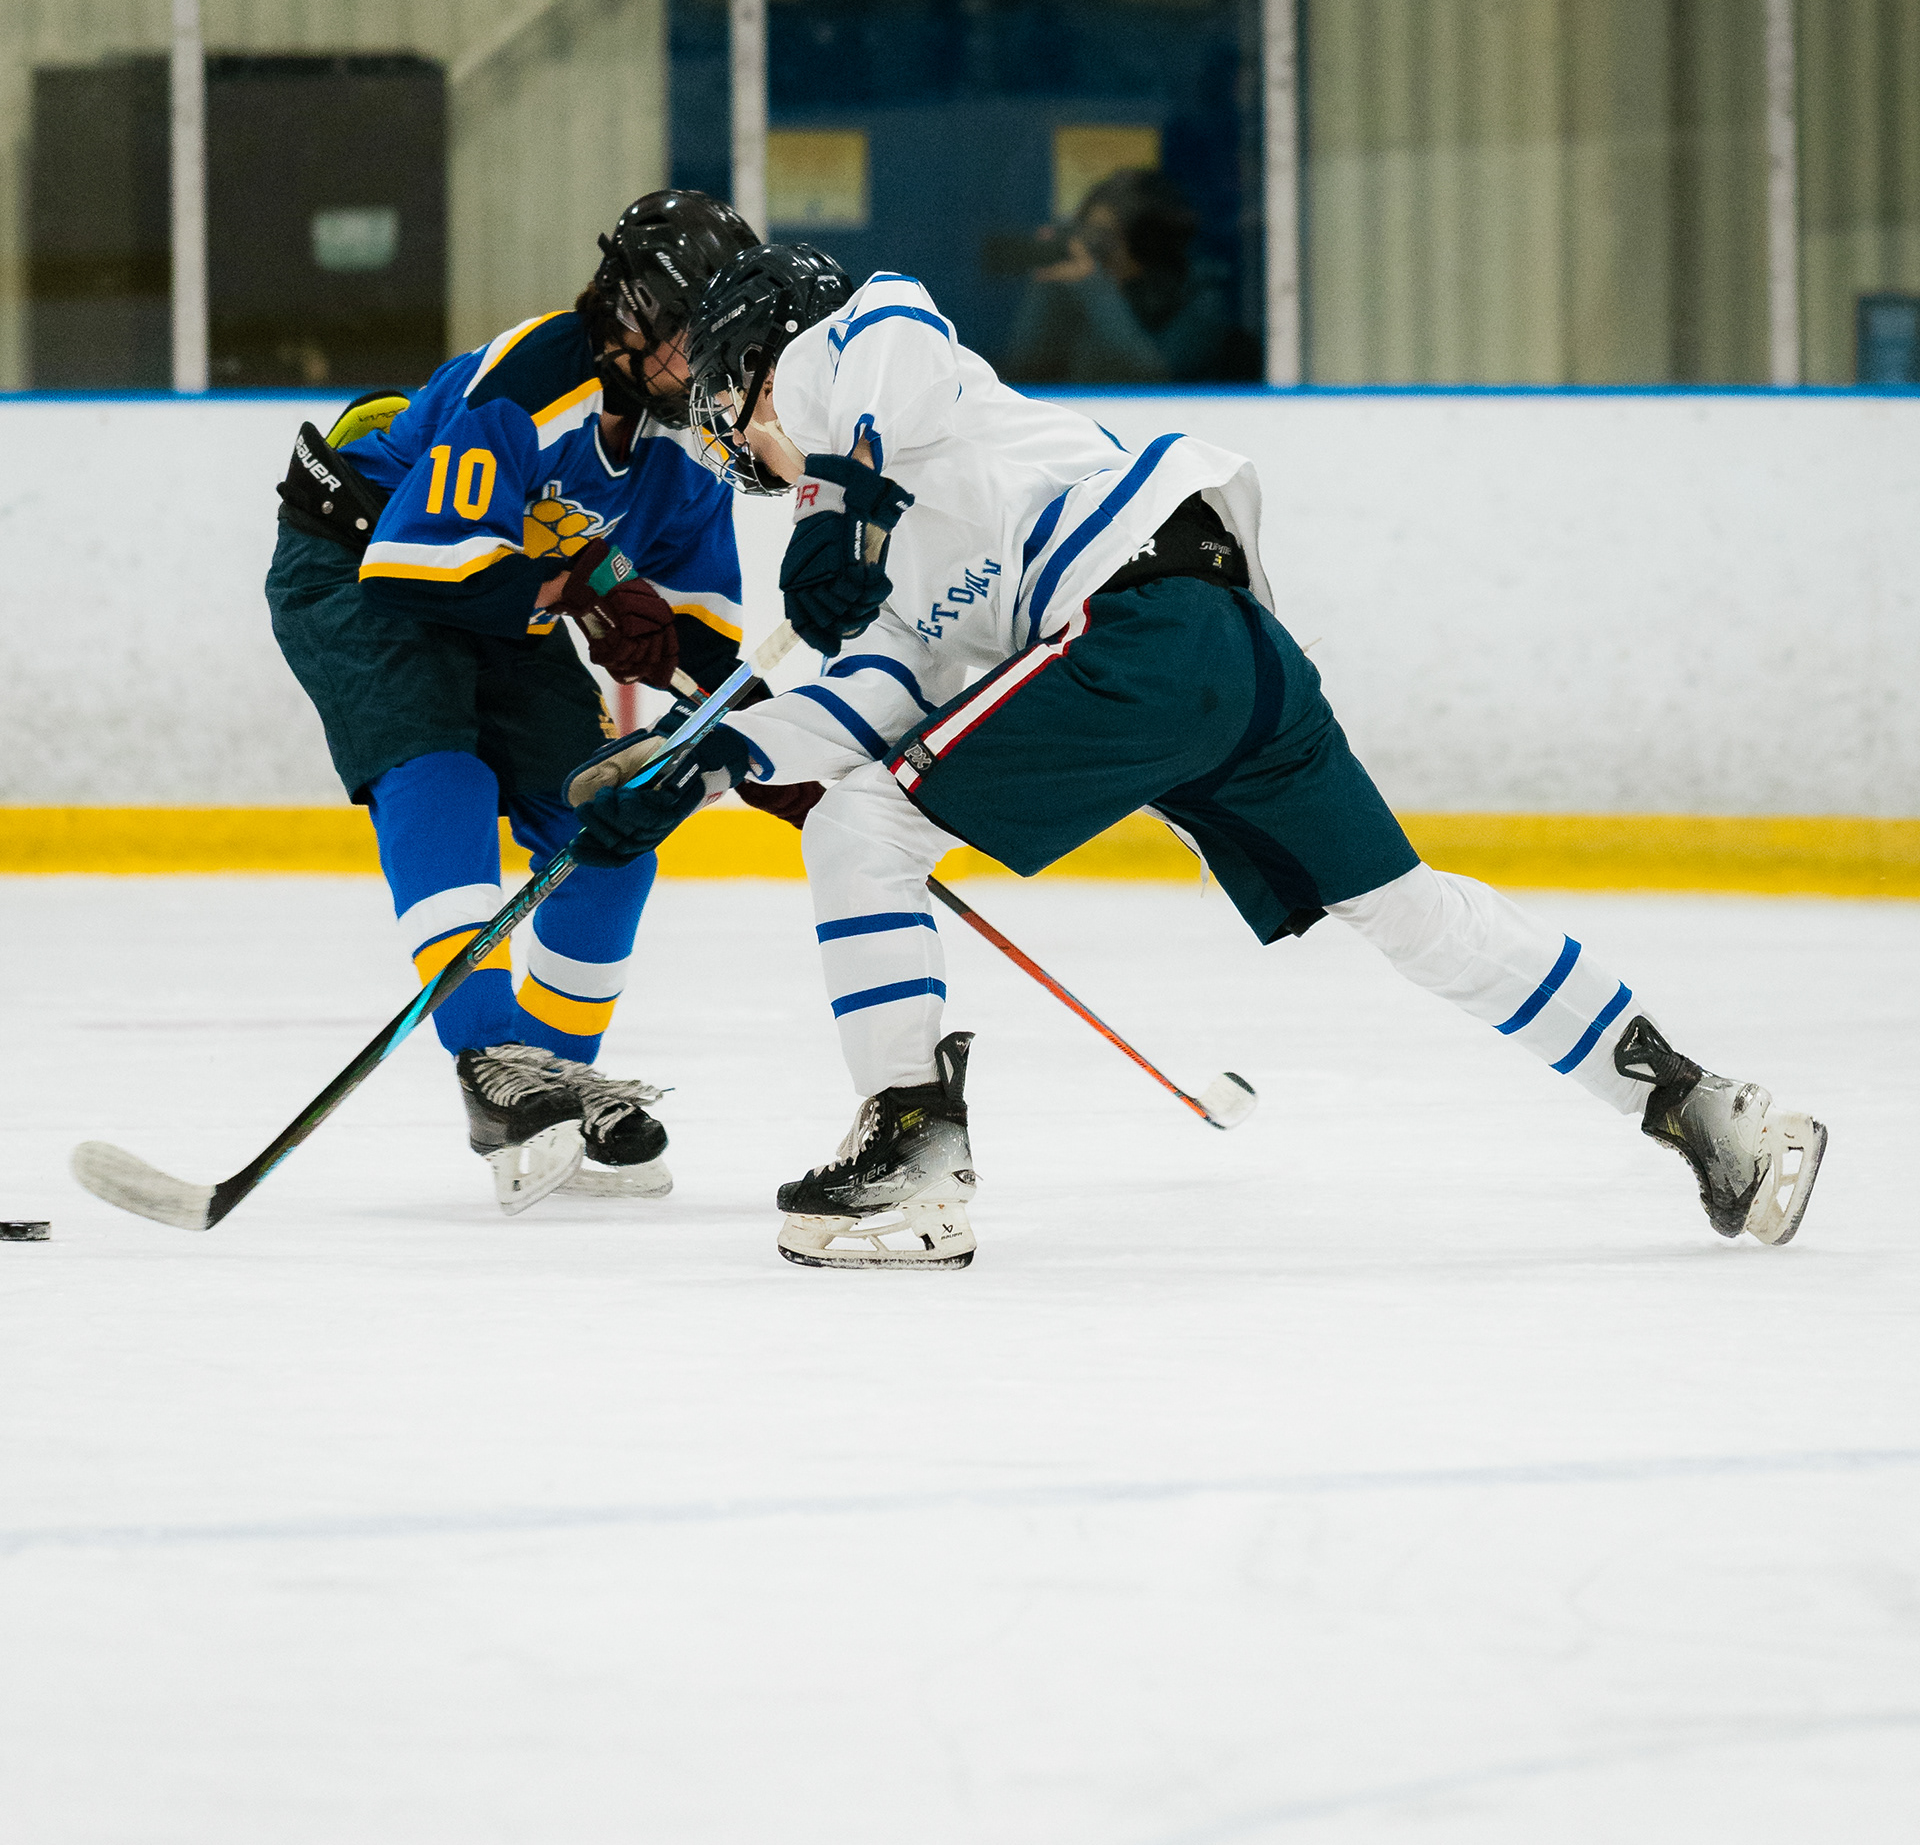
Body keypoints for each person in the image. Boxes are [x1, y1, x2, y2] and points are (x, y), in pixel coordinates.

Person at [573, 246, 1829, 1273]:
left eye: (725, 412)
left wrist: (838, 493)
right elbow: (881, 692)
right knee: (1409, 913)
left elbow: (887, 342)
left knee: (863, 829)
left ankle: (910, 1154)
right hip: (1221, 656)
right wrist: (707, 758)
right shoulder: (880, 556)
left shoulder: (866, 348)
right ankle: (1703, 1105)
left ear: (755, 367)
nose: (730, 444)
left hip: (1143, 635)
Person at [266, 188, 756, 1215]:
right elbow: (415, 567)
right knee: (438, 763)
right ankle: (494, 1060)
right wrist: (588, 584)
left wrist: (745, 735)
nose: (716, 365)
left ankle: (558, 1079)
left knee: (610, 825)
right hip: (357, 563)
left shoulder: (690, 442)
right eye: (695, 338)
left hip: (494, 596)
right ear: (632, 320)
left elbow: (702, 644)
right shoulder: (534, 377)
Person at [1002, 167, 1235, 385]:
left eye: (1107, 236)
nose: (1097, 248)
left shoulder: (1200, 299)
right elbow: (1024, 370)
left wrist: (1095, 290)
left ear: (1148, 245)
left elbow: (1156, 376)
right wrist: (1048, 285)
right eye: (1091, 233)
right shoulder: (1085, 291)